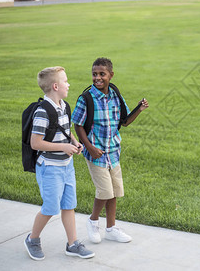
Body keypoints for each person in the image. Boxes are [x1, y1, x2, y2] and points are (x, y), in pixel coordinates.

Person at [72, 57, 149, 244]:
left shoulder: (115, 94)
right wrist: (89, 147)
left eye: (102, 74)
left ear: (111, 75)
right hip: (96, 154)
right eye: (94, 74)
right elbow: (78, 124)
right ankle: (92, 221)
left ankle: (111, 228)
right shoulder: (86, 98)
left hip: (113, 151)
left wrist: (139, 109)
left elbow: (125, 121)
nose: (97, 78)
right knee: (105, 191)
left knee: (114, 191)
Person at [24, 66, 94, 260]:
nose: (68, 84)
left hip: (66, 166)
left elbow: (63, 130)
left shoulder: (64, 106)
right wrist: (63, 148)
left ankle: (72, 244)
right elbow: (35, 143)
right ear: (55, 86)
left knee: (69, 205)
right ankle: (32, 239)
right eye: (65, 81)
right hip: (49, 168)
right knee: (50, 207)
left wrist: (73, 141)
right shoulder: (42, 112)